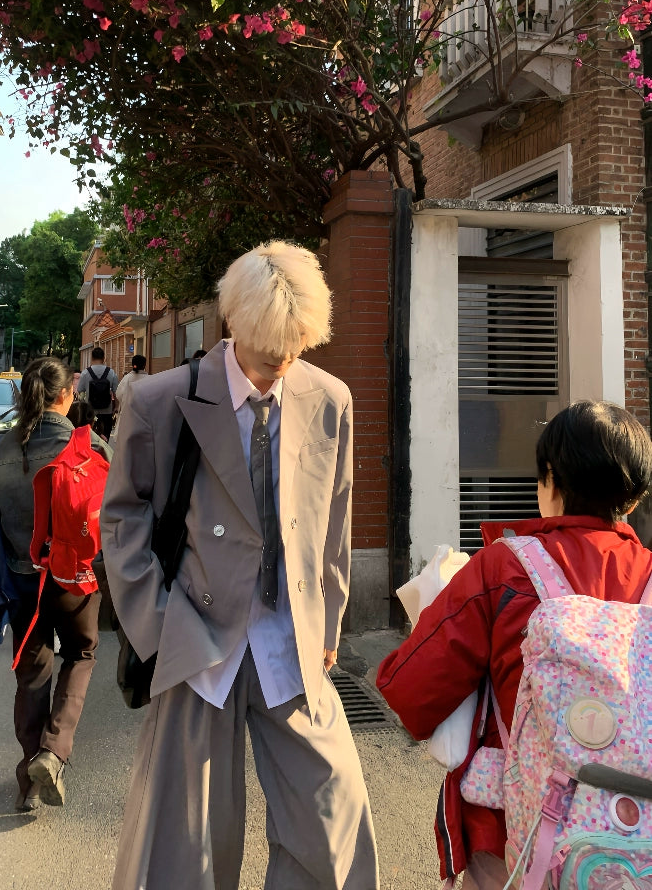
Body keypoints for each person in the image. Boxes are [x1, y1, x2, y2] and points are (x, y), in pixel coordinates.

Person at [101, 240, 379, 890]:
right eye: (267, 343)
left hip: (293, 637)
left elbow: (334, 518)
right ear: (232, 322)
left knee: (331, 818)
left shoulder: (329, 397)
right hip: (197, 639)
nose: (281, 358)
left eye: (296, 343)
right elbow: (122, 519)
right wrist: (161, 628)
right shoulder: (162, 399)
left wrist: (330, 618)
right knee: (185, 844)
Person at [376, 400, 652, 890]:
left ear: (550, 483)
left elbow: (410, 690)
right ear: (632, 500)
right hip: (637, 844)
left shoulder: (503, 569)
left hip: (516, 835)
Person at [0, 356, 112, 813]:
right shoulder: (89, 445)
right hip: (75, 580)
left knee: (32, 674)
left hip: (20, 580)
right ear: (67, 395)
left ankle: (28, 780)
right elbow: (116, 513)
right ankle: (53, 752)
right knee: (81, 654)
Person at [76, 346, 118, 440]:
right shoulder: (111, 372)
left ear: (92, 358)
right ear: (104, 358)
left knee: (90, 438)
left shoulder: (85, 373)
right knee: (105, 437)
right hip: (107, 411)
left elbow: (80, 391)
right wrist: (116, 406)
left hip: (90, 411)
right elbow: (116, 392)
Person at [110, 354, 147, 443]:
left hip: (127, 416)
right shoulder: (149, 379)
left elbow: (119, 394)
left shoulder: (126, 378)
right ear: (144, 365)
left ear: (132, 365)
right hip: (143, 418)